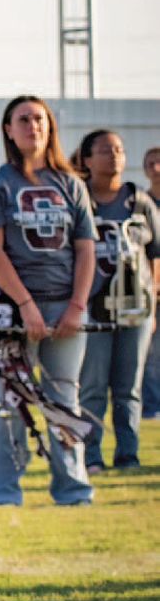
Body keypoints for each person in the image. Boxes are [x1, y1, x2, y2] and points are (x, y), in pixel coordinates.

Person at [0, 95, 96, 506]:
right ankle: (2, 492)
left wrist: (77, 306)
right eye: (23, 119)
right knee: (10, 401)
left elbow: (85, 250)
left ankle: (73, 489)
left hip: (65, 307)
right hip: (12, 309)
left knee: (65, 397)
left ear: (51, 127)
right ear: (8, 129)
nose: (33, 126)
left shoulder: (72, 184)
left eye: (39, 119)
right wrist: (25, 305)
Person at [76, 130, 160, 472]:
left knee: (129, 389)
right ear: (87, 159)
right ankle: (91, 456)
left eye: (120, 150)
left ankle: (128, 455)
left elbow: (155, 255)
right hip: (94, 309)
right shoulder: (79, 199)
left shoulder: (140, 202)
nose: (114, 156)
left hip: (135, 309)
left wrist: (153, 301)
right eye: (105, 151)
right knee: (93, 387)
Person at [141, 146, 160, 419]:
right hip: (151, 291)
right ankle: (153, 406)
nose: (156, 168)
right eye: (151, 163)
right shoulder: (140, 202)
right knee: (152, 356)